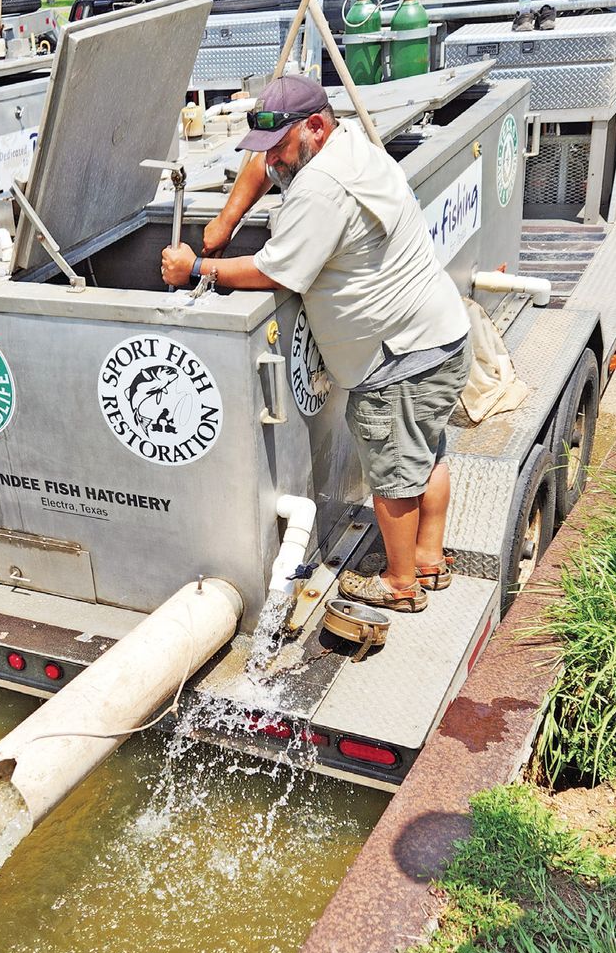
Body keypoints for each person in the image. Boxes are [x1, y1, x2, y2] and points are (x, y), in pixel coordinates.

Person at [160, 74, 471, 614]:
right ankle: (428, 560)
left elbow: (277, 273)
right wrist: (224, 221)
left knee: (394, 475)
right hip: (438, 336)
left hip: (395, 354)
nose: (274, 163)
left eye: (280, 149)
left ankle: (400, 586)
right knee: (425, 454)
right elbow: (263, 163)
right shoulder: (345, 143)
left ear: (315, 127)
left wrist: (196, 267)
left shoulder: (323, 187)